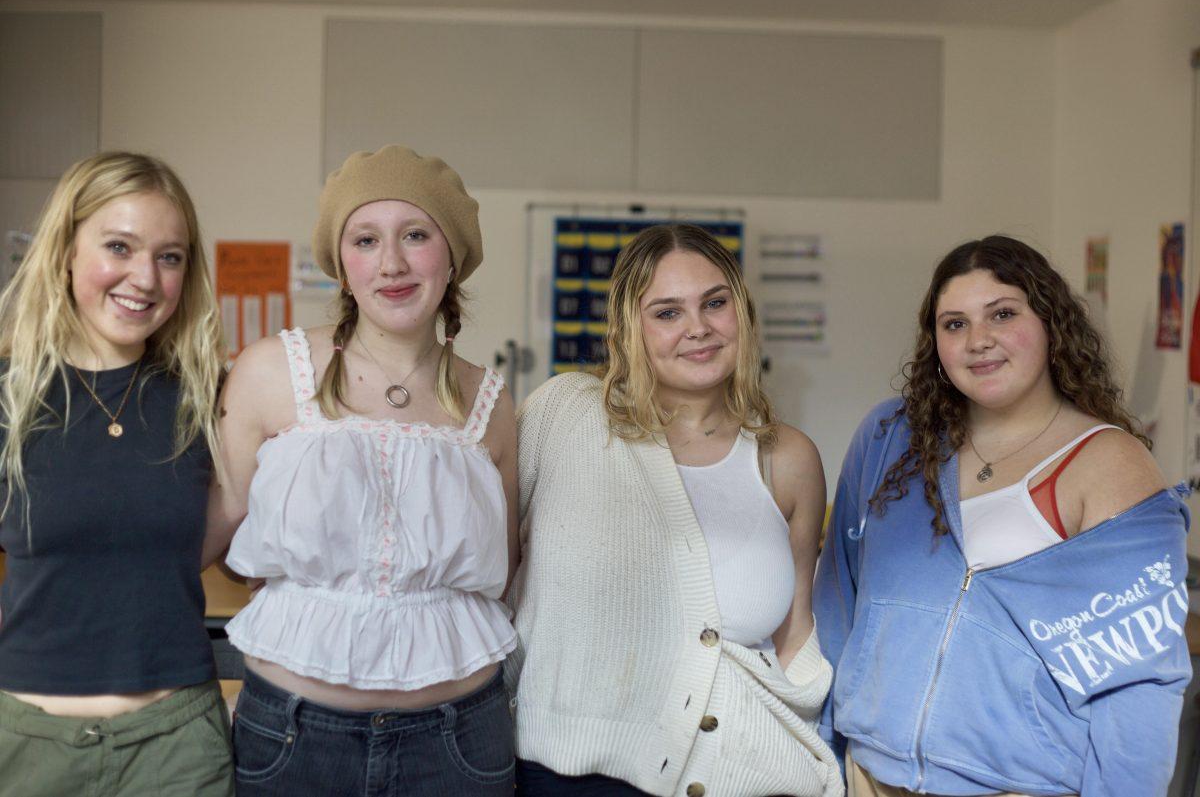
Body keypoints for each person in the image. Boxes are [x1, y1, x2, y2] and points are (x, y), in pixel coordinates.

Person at [814, 235, 1191, 797]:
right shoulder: (890, 438)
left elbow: (1137, 686)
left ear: (1050, 325)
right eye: (955, 323)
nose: (978, 341)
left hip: (1017, 786)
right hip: (868, 774)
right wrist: (823, 753)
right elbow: (837, 602)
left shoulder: (1108, 463)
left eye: (1003, 314)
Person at [207, 145, 519, 796]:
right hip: (294, 740)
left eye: (415, 235)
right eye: (366, 239)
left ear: (453, 255)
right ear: (341, 264)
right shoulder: (269, 371)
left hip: (460, 744)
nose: (392, 263)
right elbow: (207, 539)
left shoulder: (491, 404)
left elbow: (506, 573)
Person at [508, 223, 842, 797]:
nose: (698, 328)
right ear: (627, 329)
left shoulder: (786, 457)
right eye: (667, 312)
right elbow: (494, 578)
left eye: (715, 303)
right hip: (575, 774)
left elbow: (795, 630)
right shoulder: (564, 418)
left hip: (751, 769)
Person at [0, 152, 231, 796]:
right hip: (25, 745)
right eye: (119, 247)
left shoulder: (207, 397)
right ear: (66, 252)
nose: (145, 278)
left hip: (177, 749)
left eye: (169, 256)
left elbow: (240, 561)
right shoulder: (7, 398)